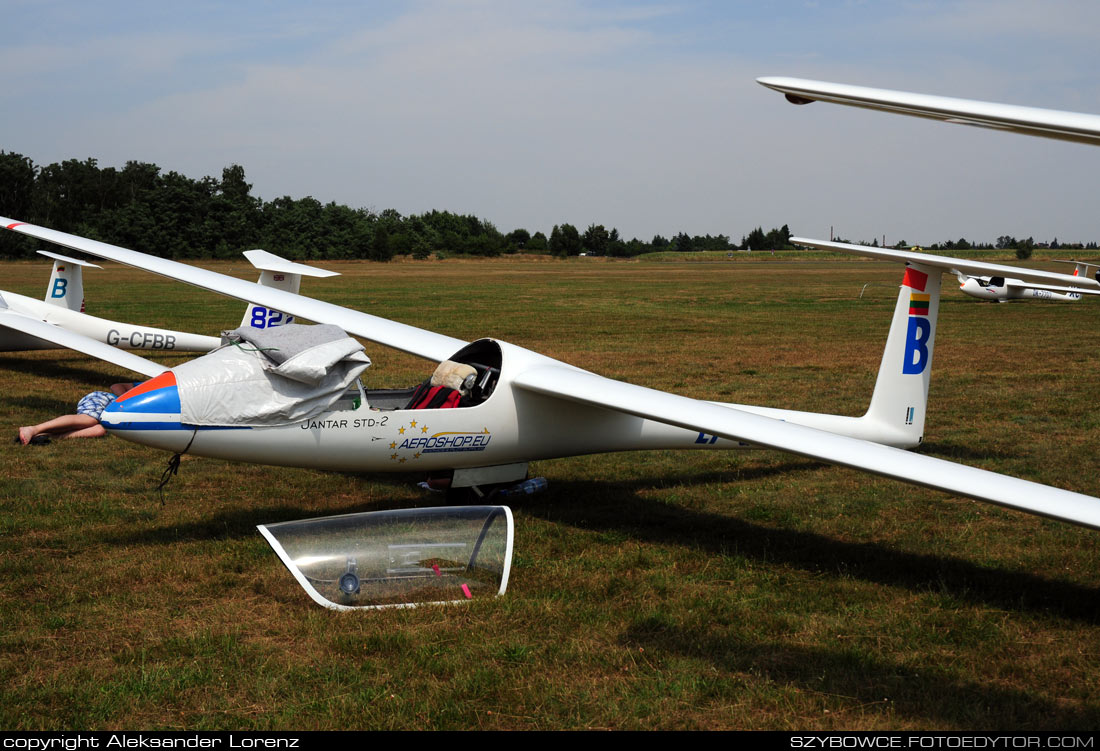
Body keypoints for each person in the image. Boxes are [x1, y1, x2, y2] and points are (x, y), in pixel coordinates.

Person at [16, 382, 138, 445]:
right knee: (89, 420)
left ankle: (45, 436)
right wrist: (126, 400)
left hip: (111, 415)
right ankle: (33, 429)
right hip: (104, 399)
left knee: (99, 430)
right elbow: (116, 386)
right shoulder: (145, 385)